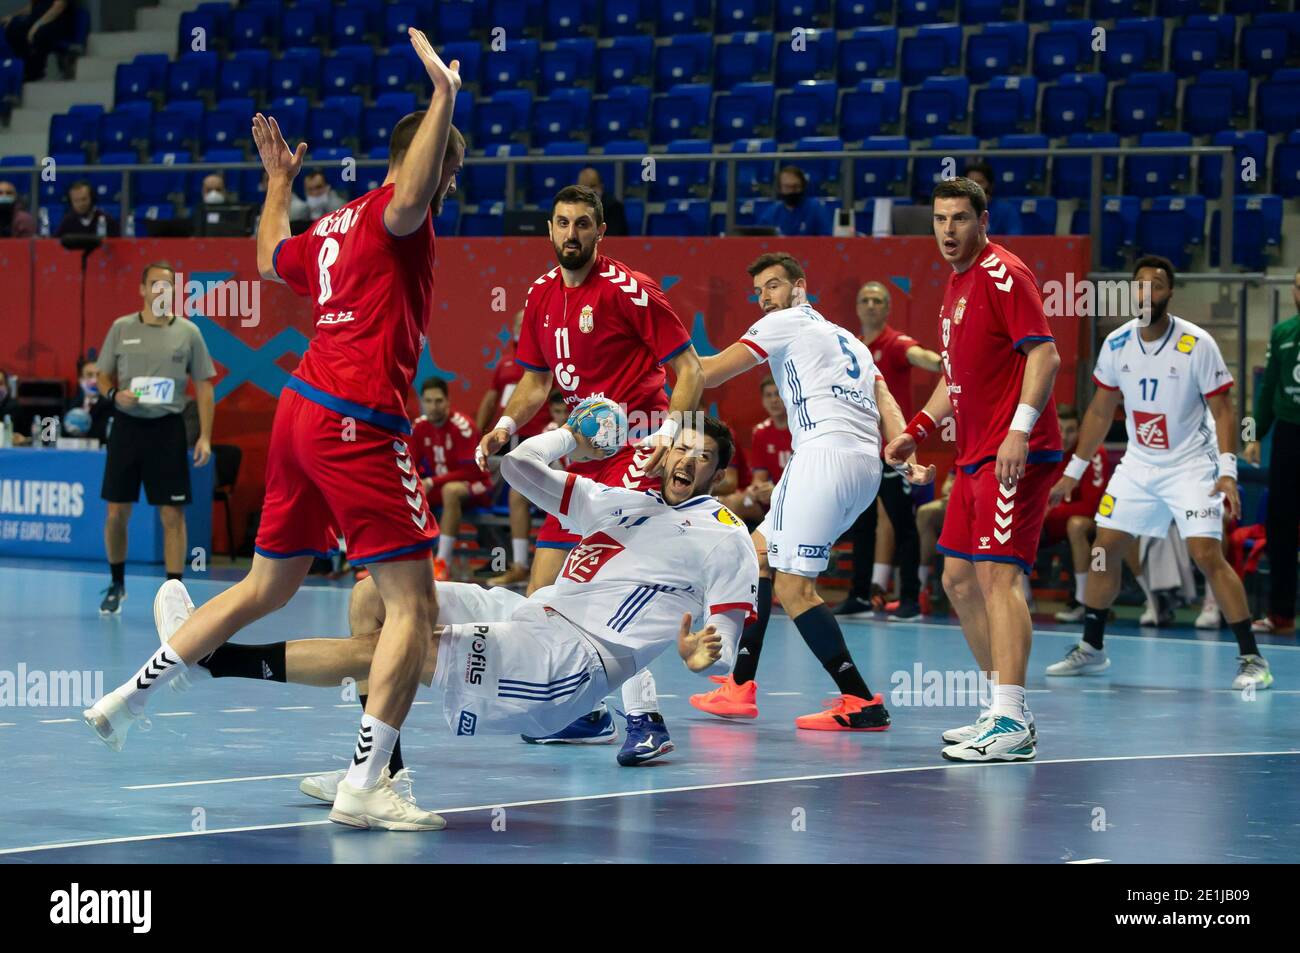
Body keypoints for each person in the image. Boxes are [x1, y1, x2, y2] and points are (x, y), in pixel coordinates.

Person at [83, 29, 466, 833]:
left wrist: (277, 182)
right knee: (411, 608)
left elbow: (267, 257)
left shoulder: (329, 230)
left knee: (269, 587)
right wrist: (442, 98)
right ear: (433, 169)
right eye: (443, 175)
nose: (440, 189)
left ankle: (128, 695)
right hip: (356, 421)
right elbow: (411, 186)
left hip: (300, 412)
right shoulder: (400, 216)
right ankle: (366, 782)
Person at [151, 409, 758, 823]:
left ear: (718, 472)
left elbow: (723, 646)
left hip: (568, 664)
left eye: (701, 456)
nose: (685, 460)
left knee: (405, 645)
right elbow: (518, 468)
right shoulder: (628, 503)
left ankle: (209, 658)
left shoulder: (723, 535)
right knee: (374, 597)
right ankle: (381, 774)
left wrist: (703, 656)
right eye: (680, 446)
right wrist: (569, 435)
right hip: (531, 615)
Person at [476, 183, 704, 766]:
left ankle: (647, 720)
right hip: (583, 449)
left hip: (639, 446)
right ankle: (584, 712)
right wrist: (505, 426)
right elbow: (535, 384)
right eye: (561, 223)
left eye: (583, 224)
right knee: (545, 591)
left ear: (600, 231)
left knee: (613, 585)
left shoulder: (631, 290)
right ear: (548, 230)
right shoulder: (541, 294)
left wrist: (667, 439)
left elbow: (690, 369)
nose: (571, 234)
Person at [690, 251, 933, 728]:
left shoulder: (787, 323)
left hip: (823, 457)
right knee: (755, 555)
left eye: (774, 286)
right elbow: (886, 399)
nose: (765, 299)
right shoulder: (850, 340)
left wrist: (647, 358)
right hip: (860, 464)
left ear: (800, 286)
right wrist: (907, 453)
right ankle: (739, 685)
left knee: (794, 587)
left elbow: (709, 371)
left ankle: (861, 701)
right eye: (759, 292)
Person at [885, 177, 1063, 763]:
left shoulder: (1004, 274)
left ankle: (1011, 717)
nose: (948, 230)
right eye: (939, 219)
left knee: (998, 578)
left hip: (1015, 453)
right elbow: (953, 380)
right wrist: (914, 431)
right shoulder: (957, 283)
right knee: (958, 580)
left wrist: (1020, 428)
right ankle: (1002, 709)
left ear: (983, 221)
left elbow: (1045, 353)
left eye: (960, 218)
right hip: (975, 455)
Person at [1043, 255, 1273, 691]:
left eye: (1156, 285)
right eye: (1140, 285)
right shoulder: (1116, 344)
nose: (1147, 293)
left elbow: (1224, 409)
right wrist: (1072, 470)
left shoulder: (1196, 343)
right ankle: (1092, 647)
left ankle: (1252, 658)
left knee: (1207, 553)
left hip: (1191, 465)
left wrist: (1227, 471)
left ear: (1169, 293)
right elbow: (1099, 410)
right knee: (1103, 549)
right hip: (1139, 465)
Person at [94, 262, 215, 614]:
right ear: (143, 289)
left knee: (172, 514)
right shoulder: (121, 328)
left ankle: (174, 596)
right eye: (156, 285)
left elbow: (205, 387)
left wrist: (205, 436)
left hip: (168, 429)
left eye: (169, 285)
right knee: (117, 511)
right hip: (127, 428)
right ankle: (117, 584)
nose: (162, 291)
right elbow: (101, 376)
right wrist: (115, 395)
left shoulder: (188, 333)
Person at [837, 280, 943, 620]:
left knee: (903, 524)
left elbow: (922, 357)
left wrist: (944, 361)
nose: (870, 305)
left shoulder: (894, 343)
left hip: (893, 453)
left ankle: (910, 598)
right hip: (861, 451)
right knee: (862, 524)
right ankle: (861, 596)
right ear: (857, 307)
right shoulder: (851, 349)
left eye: (877, 300)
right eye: (865, 299)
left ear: (886, 308)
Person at [475, 309, 551, 588]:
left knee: (528, 493)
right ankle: (517, 564)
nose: (522, 326)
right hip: (509, 444)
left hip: (547, 445)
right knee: (481, 484)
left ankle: (557, 564)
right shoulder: (505, 364)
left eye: (526, 321)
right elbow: (491, 398)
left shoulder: (551, 358)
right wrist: (480, 433)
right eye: (517, 322)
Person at [1244, 265, 1300, 636]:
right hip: (1288, 437)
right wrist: (1253, 435)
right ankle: (1280, 616)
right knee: (1280, 525)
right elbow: (1265, 395)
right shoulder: (1282, 334)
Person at [411, 377, 492, 581]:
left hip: (478, 486)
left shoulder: (462, 426)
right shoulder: (419, 427)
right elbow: (410, 463)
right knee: (400, 493)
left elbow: (470, 472)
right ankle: (400, 561)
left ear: (447, 401)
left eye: (438, 401)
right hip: (442, 487)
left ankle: (442, 563)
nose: (433, 406)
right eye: (428, 401)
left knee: (451, 490)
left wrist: (431, 482)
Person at [1043, 405, 1114, 622]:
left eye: (1071, 430)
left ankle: (1083, 601)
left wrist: (1049, 510)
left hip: (1090, 524)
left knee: (1075, 525)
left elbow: (1092, 507)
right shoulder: (1042, 449)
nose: (1064, 436)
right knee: (1013, 523)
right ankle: (1020, 597)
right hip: (1050, 524)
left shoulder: (1094, 452)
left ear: (1081, 430)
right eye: (1060, 429)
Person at [716, 376, 788, 526]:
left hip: (797, 496)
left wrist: (778, 491)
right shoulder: (761, 433)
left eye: (778, 394)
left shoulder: (802, 430)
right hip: (768, 499)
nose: (774, 400)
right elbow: (759, 477)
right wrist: (758, 489)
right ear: (763, 401)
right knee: (728, 504)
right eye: (769, 395)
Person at [1, 0, 75, 82]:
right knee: (13, 28)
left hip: (56, 21)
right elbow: (30, 8)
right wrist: (13, 16)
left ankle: (36, 71)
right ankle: (27, 67)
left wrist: (37, 25)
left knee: (39, 34)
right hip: (36, 20)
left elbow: (59, 7)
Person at [757, 166, 833, 237]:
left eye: (795, 187)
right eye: (787, 187)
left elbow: (827, 239)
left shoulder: (816, 208)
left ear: (803, 187)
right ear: (780, 188)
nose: (791, 191)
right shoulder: (771, 213)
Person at [964, 162, 1021, 236]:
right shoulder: (958, 211)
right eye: (970, 183)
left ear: (990, 185)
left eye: (979, 182)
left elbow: (1014, 239)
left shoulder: (1006, 210)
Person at [64, 356, 112, 443]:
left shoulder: (112, 406)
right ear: (80, 379)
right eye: (89, 375)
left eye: (98, 375)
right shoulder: (69, 404)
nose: (94, 380)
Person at [577, 167, 627, 237]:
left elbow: (612, 238)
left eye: (593, 186)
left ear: (601, 186)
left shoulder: (614, 207)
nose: (588, 191)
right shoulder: (574, 209)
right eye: (584, 187)